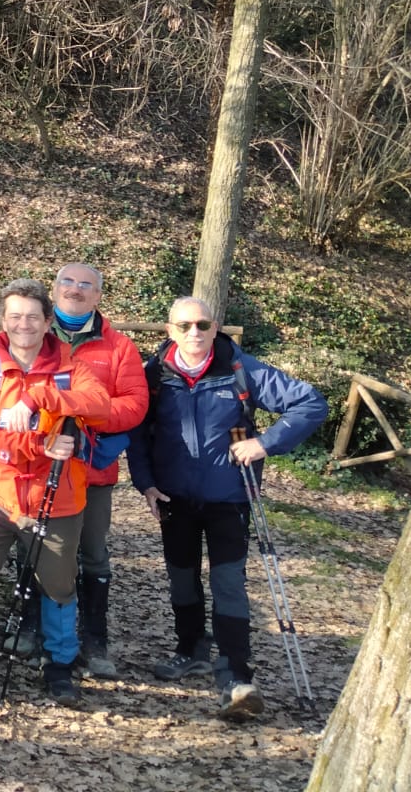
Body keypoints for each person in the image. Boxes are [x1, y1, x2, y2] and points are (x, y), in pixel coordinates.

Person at [129, 296, 327, 720]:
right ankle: (190, 650)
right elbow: (137, 433)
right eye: (184, 326)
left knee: (228, 584)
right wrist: (144, 483)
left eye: (202, 324)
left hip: (231, 496)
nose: (194, 333)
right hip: (173, 497)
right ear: (170, 330)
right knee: (181, 579)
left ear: (215, 328)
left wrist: (264, 443)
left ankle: (236, 674)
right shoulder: (153, 375)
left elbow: (310, 403)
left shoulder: (241, 368)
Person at [0, 278, 112, 707]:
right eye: (15, 317)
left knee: (58, 586)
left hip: (59, 500)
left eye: (33, 316)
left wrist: (38, 398)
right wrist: (39, 446)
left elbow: (99, 403)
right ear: (3, 321)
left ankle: (59, 666)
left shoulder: (73, 368)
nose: (23, 324)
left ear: (49, 321)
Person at [45, 262, 149, 677]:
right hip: (38, 465)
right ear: (54, 290)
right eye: (67, 282)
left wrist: (84, 415)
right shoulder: (34, 334)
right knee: (38, 547)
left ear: (98, 296)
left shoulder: (119, 346)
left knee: (93, 554)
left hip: (92, 473)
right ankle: (37, 630)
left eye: (85, 285)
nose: (75, 289)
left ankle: (95, 638)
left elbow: (135, 405)